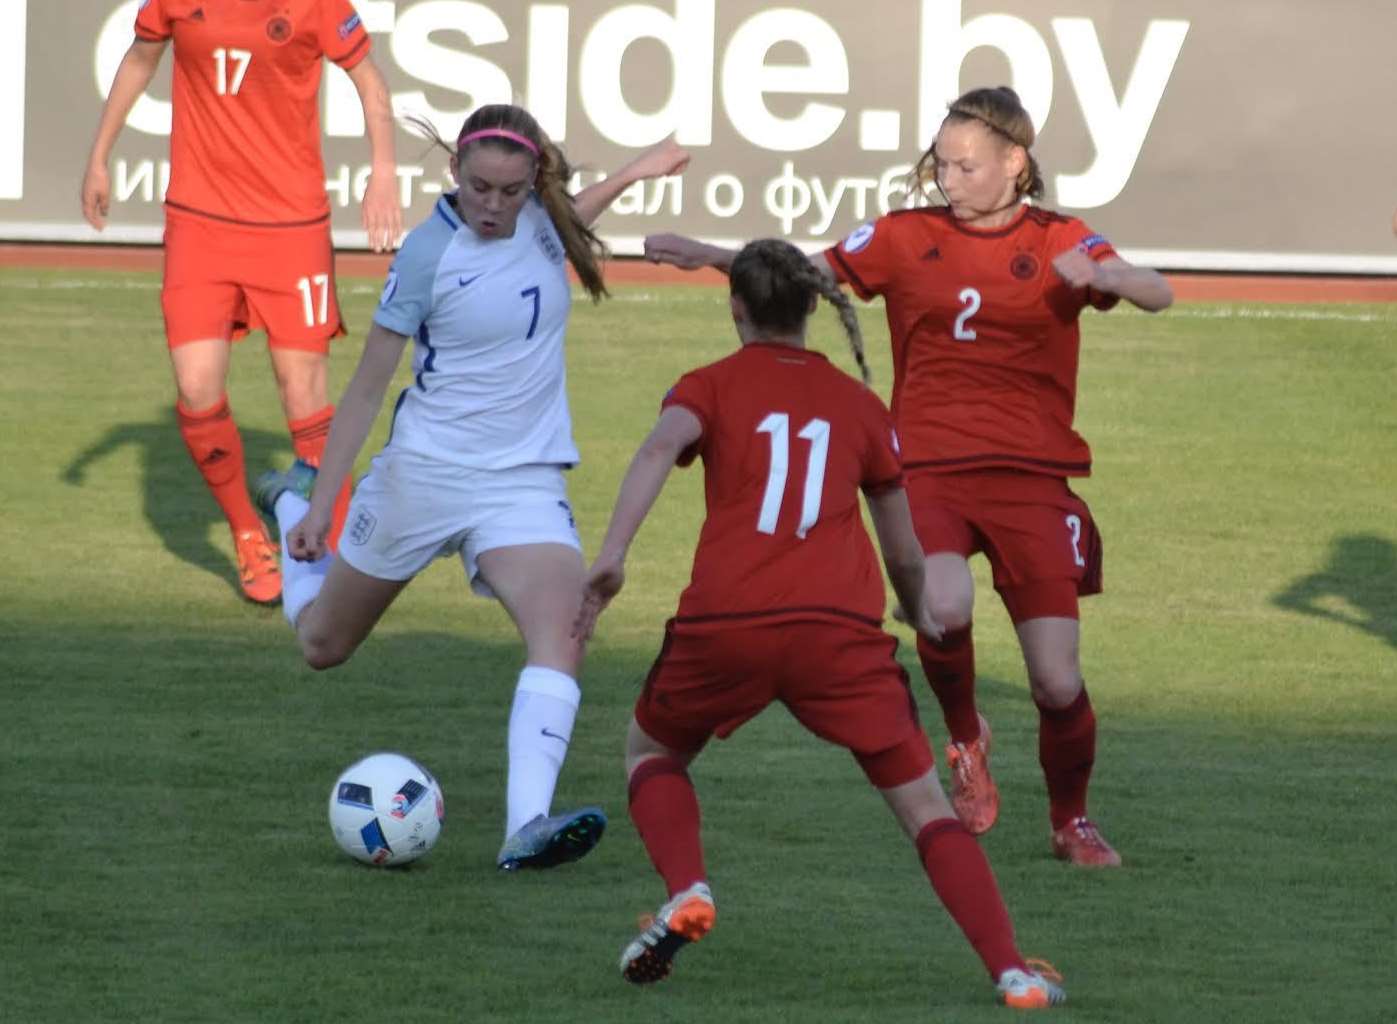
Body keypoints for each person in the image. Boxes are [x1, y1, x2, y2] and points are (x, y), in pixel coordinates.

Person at [642, 86, 1174, 867]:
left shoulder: (1062, 236)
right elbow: (807, 272)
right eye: (940, 163)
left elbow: (1155, 291)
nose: (947, 180)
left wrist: (1112, 278)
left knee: (1058, 684)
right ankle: (964, 736)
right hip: (926, 465)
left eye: (964, 166)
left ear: (1014, 163)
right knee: (940, 607)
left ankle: (1071, 821)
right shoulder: (901, 235)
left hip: (1031, 477)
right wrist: (709, 254)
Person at [575, 238, 1066, 1009]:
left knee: (650, 751)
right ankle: (1010, 970)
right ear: (811, 307)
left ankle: (686, 887)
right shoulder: (860, 405)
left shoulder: (707, 385)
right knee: (925, 809)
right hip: (837, 633)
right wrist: (919, 607)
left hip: (726, 620)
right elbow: (904, 548)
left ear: (735, 307)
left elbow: (658, 446)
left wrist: (612, 554)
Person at [252, 104, 690, 870]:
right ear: (454, 171)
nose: (493, 205)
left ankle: (527, 827)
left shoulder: (539, 219)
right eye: (480, 187)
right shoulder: (428, 253)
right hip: (423, 476)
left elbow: (563, 228)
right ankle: (286, 505)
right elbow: (365, 389)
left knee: (565, 631)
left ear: (532, 183)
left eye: (510, 191)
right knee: (323, 645)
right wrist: (322, 500)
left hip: (521, 481)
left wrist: (631, 173)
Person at [80, 0, 403, 605]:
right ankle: (248, 532)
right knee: (197, 388)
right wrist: (100, 154)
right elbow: (140, 57)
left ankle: (333, 552)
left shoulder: (316, 6)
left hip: (291, 228)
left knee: (302, 391)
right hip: (200, 224)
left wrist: (382, 169)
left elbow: (369, 78)